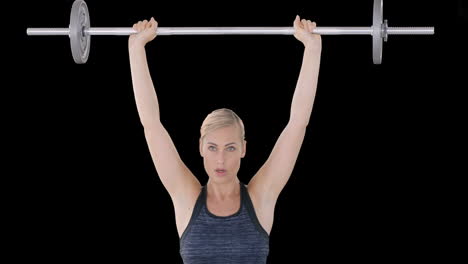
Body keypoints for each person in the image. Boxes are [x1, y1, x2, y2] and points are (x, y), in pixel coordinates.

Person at [128, 15, 321, 264]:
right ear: (201, 148)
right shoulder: (186, 197)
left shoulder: (260, 198)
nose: (221, 159)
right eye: (212, 147)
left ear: (243, 149)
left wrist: (313, 49)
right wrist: (136, 49)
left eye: (230, 148)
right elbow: (151, 125)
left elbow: (297, 125)